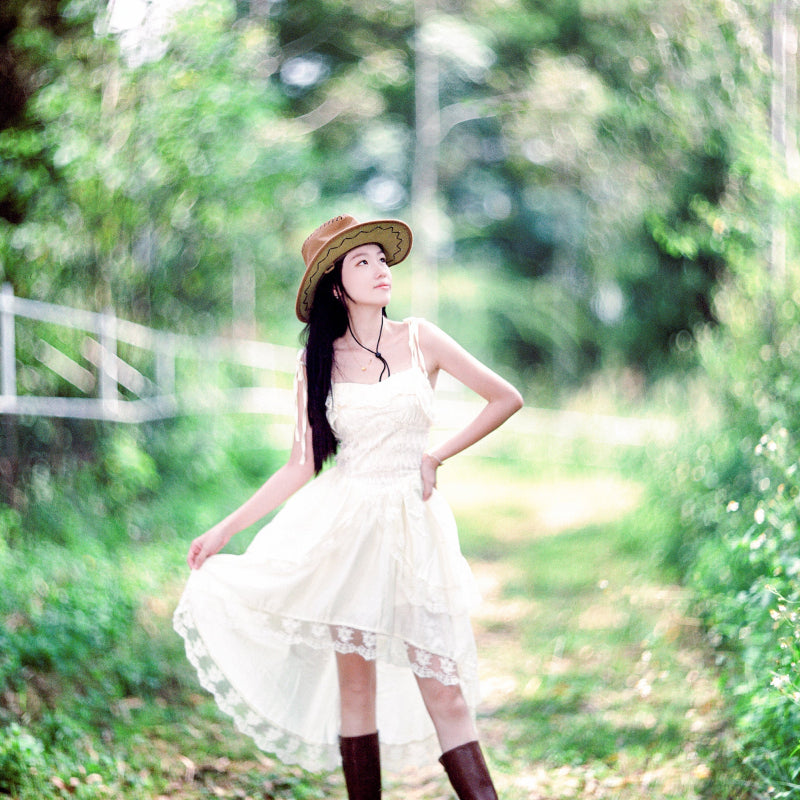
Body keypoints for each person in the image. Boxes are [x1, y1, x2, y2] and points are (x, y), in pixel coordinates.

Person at [173, 214, 523, 800]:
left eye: (382, 259)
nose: (382, 269)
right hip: (345, 532)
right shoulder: (318, 362)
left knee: (446, 691)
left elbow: (505, 397)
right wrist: (224, 529)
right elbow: (301, 465)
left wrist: (436, 456)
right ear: (337, 284)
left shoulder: (421, 337)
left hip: (415, 528)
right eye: (363, 262)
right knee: (355, 693)